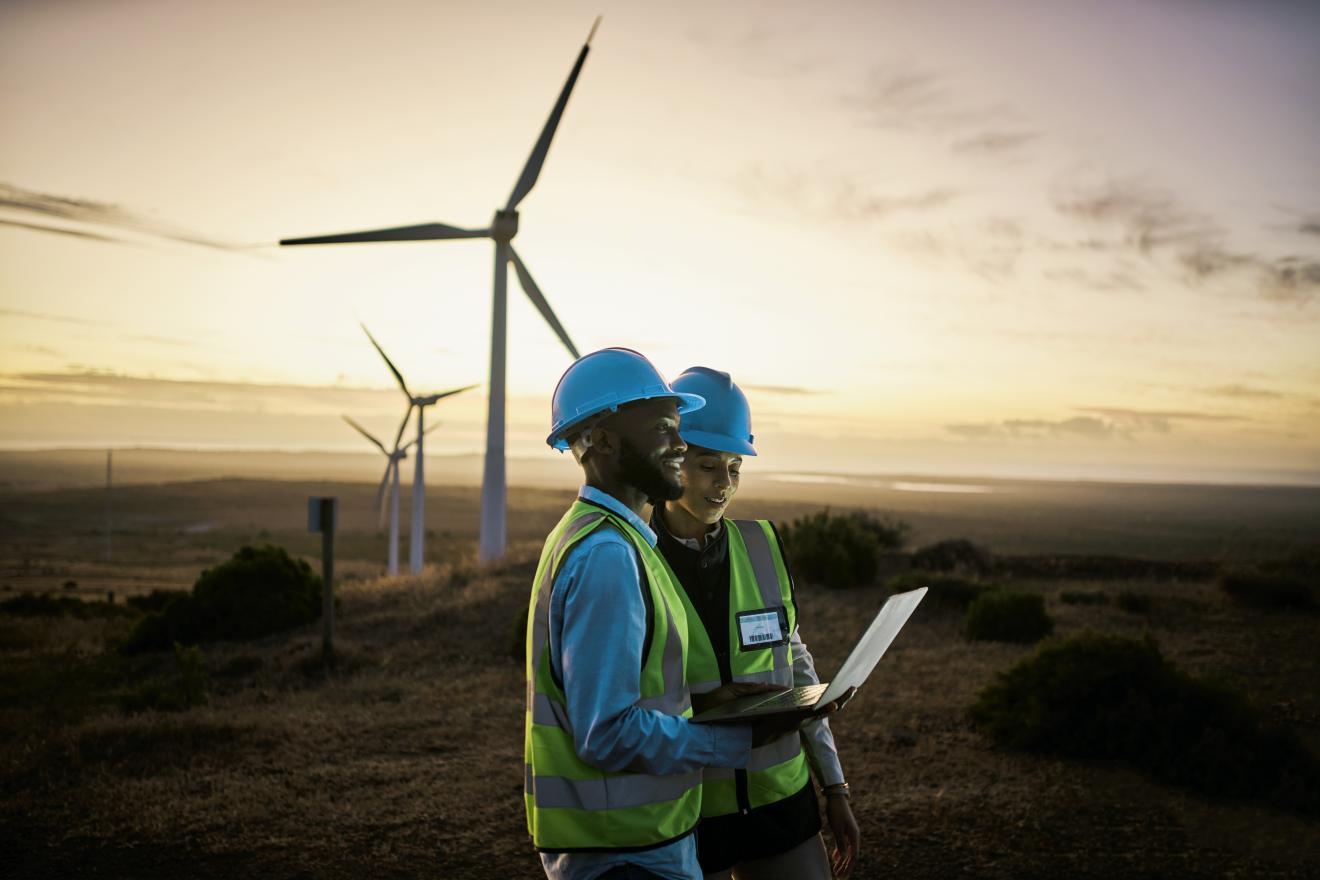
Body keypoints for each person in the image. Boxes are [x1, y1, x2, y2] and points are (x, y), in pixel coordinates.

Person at [524, 348, 831, 880]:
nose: (678, 443)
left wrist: (709, 700)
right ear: (602, 441)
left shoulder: (616, 541)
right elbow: (607, 733)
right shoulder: (608, 555)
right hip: (622, 851)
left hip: (646, 836)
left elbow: (631, 691)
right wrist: (731, 740)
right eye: (665, 428)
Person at [651, 367, 860, 880]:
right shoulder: (632, 557)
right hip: (688, 811)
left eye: (734, 466)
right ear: (672, 460)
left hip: (781, 804)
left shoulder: (763, 546)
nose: (724, 484)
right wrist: (704, 704)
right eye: (707, 465)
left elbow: (797, 666)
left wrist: (834, 787)